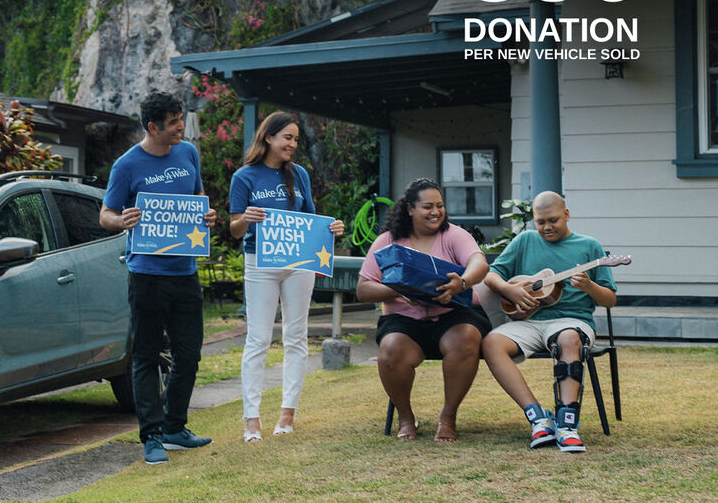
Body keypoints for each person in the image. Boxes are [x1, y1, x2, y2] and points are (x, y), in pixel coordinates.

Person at [100, 91, 219, 465]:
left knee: (189, 353)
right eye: (174, 122)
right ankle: (151, 435)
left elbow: (197, 195)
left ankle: (174, 427)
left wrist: (206, 213)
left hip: (185, 272)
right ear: (153, 127)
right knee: (147, 355)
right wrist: (122, 221)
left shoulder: (188, 154)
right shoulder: (126, 165)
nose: (181, 126)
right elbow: (105, 213)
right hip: (147, 276)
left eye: (181, 118)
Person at [228, 112, 344, 442]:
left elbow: (311, 221)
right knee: (258, 339)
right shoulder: (244, 177)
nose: (293, 144)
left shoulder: (300, 175)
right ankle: (251, 419)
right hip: (260, 262)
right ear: (269, 138)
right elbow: (235, 230)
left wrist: (331, 227)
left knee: (296, 336)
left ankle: (287, 414)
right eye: (287, 138)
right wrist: (246, 218)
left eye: (295, 139)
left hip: (300, 263)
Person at [481, 191, 617, 453]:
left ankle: (567, 424)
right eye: (540, 222)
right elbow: (492, 275)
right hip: (530, 321)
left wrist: (589, 286)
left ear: (566, 214)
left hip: (573, 320)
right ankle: (538, 417)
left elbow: (610, 299)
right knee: (491, 343)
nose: (546, 227)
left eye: (553, 220)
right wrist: (510, 291)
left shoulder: (590, 246)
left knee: (568, 338)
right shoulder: (525, 240)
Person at [356, 178, 491, 442]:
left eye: (440, 206)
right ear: (409, 209)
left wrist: (461, 282)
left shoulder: (453, 235)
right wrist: (400, 289)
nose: (436, 212)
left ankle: (448, 417)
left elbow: (479, 263)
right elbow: (363, 289)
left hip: (452, 315)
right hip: (404, 321)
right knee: (391, 348)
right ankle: (406, 418)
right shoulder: (388, 241)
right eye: (427, 206)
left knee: (466, 337)